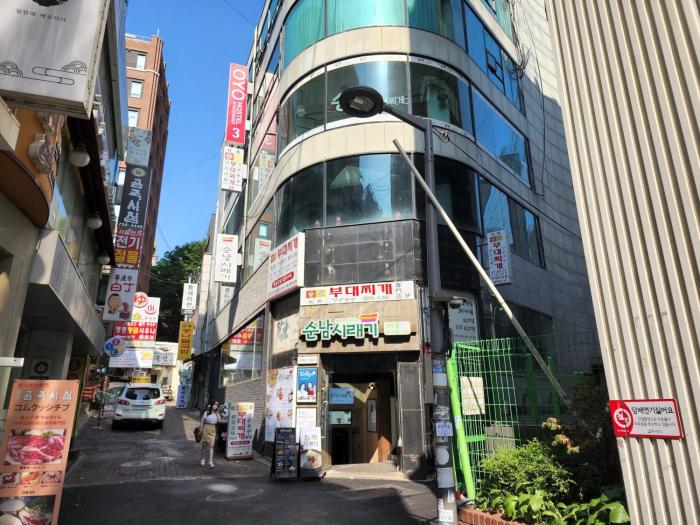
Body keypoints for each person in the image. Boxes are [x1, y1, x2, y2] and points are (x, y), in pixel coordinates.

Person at [199, 401, 221, 467]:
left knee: (212, 446)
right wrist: (201, 429)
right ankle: (203, 459)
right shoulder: (207, 412)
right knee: (204, 446)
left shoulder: (217, 413)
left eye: (217, 405)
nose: (215, 406)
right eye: (215, 404)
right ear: (212, 405)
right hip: (206, 428)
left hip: (213, 429)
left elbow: (219, 420)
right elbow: (202, 420)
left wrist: (217, 413)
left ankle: (210, 461)